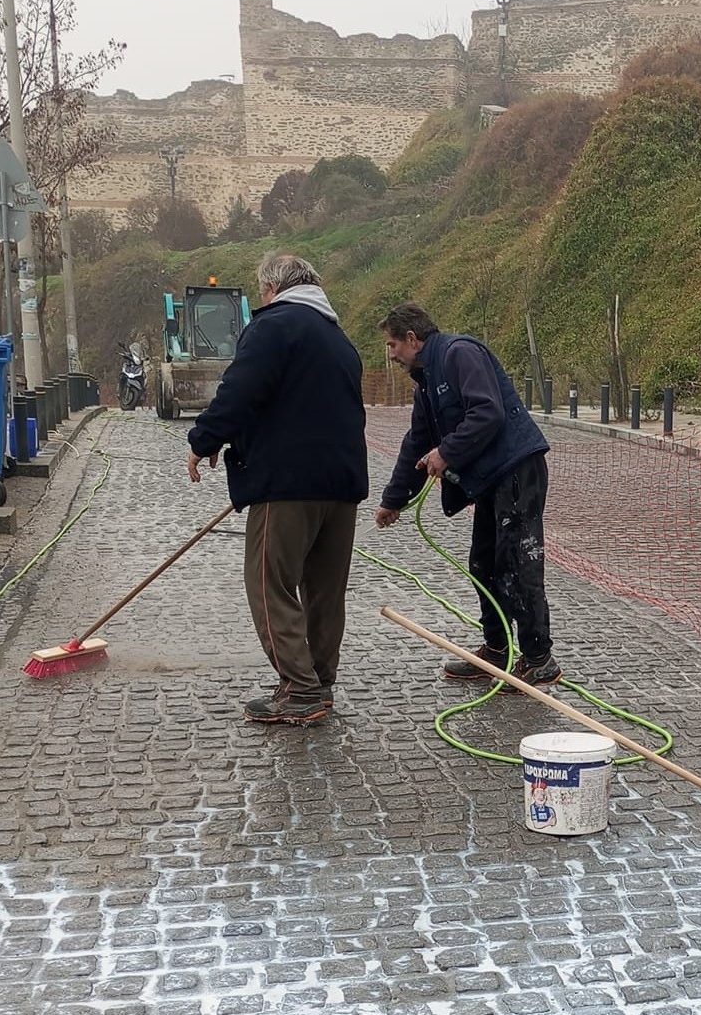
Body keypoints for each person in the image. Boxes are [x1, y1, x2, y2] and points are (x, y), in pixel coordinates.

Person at [186, 253, 368, 725]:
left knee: (269, 584)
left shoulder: (274, 326)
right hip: (342, 485)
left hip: (287, 484)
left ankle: (300, 689)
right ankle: (320, 681)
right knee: (325, 590)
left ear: (271, 288)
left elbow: (240, 389)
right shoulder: (338, 339)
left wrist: (204, 439)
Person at [373, 304, 558, 686]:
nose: (390, 355)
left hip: (517, 470)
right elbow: (417, 442)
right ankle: (496, 650)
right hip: (489, 479)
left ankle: (539, 658)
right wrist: (393, 500)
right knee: (483, 564)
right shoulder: (425, 379)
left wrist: (447, 452)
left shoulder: (461, 353)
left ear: (412, 339)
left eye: (393, 345)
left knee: (517, 563)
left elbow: (487, 412)